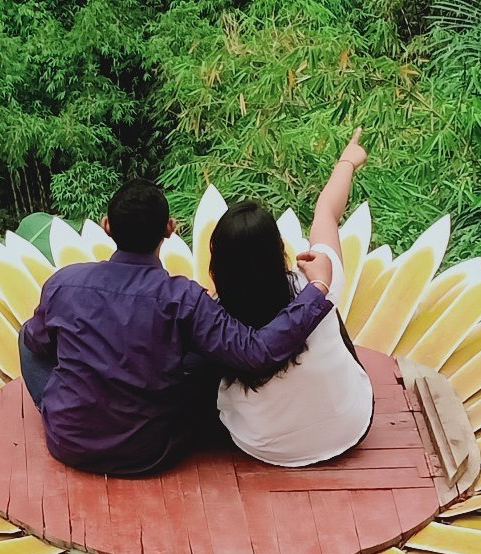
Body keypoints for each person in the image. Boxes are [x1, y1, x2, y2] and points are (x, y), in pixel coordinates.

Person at [19, 178, 335, 476]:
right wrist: (317, 288)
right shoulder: (183, 298)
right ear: (170, 230)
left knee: (27, 337)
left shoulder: (64, 283)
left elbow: (38, 343)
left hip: (68, 442)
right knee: (208, 356)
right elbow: (256, 351)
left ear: (107, 226)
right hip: (148, 453)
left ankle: (64, 407)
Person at [210, 128, 374, 466]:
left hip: (263, 446)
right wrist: (347, 161)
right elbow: (326, 213)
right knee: (329, 309)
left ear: (218, 263)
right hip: (349, 427)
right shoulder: (317, 279)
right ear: (279, 251)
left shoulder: (213, 318)